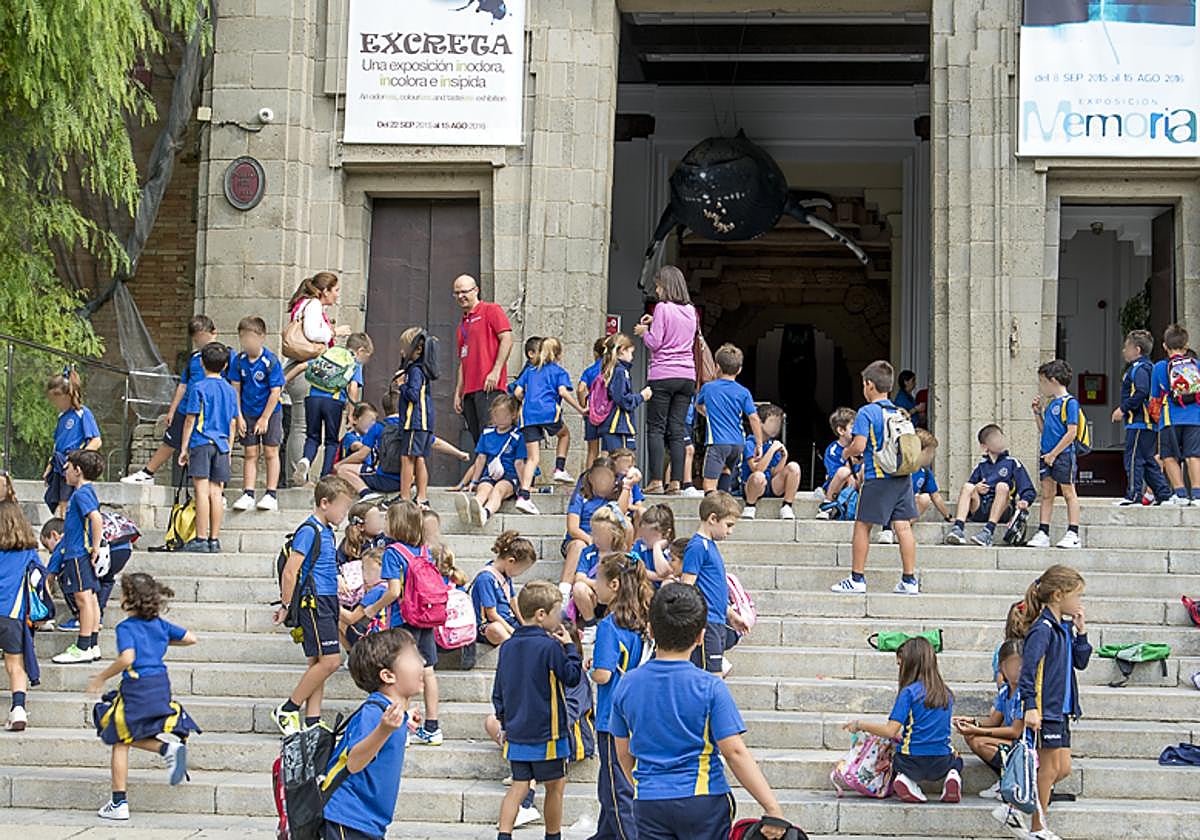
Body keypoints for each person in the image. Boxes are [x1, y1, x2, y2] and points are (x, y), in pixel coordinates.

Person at [611, 584, 786, 840]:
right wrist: (772, 808)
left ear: (650, 629)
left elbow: (623, 753)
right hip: (702, 799)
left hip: (649, 800)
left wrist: (643, 786)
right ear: (701, 636)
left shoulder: (626, 684)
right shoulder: (710, 687)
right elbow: (735, 752)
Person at [87, 573, 200, 821]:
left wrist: (101, 677)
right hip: (160, 684)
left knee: (118, 738)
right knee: (128, 734)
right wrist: (158, 642)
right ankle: (167, 748)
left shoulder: (126, 627)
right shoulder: (160, 625)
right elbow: (191, 638)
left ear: (129, 599)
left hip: (137, 686)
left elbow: (127, 657)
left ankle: (119, 802)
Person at [1003, 565, 1091, 840]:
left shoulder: (1062, 628)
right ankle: (1038, 827)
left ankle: (1014, 809)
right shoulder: (1042, 629)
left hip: (1062, 710)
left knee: (1062, 769)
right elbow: (1028, 671)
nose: (1079, 602)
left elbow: (1081, 662)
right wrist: (1030, 706)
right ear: (1058, 595)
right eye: (1076, 596)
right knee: (1049, 769)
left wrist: (1081, 632)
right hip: (1045, 709)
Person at [491, 580, 582, 840]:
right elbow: (572, 677)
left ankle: (504, 835)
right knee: (555, 786)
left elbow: (498, 690)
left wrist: (503, 722)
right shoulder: (550, 646)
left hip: (517, 731)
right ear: (542, 614)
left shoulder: (507, 646)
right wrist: (570, 647)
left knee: (518, 786)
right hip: (548, 734)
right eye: (557, 612)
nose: (560, 617)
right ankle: (553, 836)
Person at [322, 628, 425, 840]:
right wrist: (384, 730)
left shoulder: (387, 712)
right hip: (348, 816)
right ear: (388, 675)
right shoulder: (373, 712)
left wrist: (404, 719)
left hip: (367, 819)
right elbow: (354, 762)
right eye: (413, 657)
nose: (422, 662)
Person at [272, 475, 355, 735]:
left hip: (328, 599)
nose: (344, 514)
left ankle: (312, 719)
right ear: (324, 503)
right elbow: (290, 572)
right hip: (314, 602)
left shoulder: (327, 531)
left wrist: (337, 578)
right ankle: (288, 708)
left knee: (318, 662)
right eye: (341, 507)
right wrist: (286, 605)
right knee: (331, 661)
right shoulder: (309, 530)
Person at [830, 361, 919, 595]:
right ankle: (909, 580)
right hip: (902, 476)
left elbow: (859, 446)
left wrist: (847, 453)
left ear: (869, 385)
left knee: (862, 525)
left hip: (878, 477)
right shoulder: (900, 412)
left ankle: (857, 578)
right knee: (903, 527)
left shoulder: (867, 412)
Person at [361, 501, 443, 747]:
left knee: (398, 675)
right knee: (427, 670)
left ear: (396, 524)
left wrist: (372, 608)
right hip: (426, 618)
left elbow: (394, 591)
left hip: (403, 620)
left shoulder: (393, 553)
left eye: (387, 519)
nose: (384, 524)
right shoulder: (424, 551)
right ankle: (432, 726)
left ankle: (402, 728)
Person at [844, 636, 961, 804]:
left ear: (910, 665)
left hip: (910, 761)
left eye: (900, 665)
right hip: (942, 761)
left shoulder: (909, 693)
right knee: (957, 758)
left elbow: (890, 731)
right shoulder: (946, 693)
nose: (899, 669)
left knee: (894, 754)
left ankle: (905, 778)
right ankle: (953, 775)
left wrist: (859, 724)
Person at [590, 552, 653, 840]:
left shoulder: (609, 625)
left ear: (614, 585)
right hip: (639, 713)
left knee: (615, 790)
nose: (594, 585)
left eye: (598, 580)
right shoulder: (643, 619)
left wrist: (591, 668)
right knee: (613, 781)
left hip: (612, 717)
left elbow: (603, 674)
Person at [122, 315, 222, 485]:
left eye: (202, 337)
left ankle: (216, 488)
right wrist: (172, 410)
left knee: (209, 448)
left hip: (208, 411)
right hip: (186, 407)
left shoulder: (224, 356)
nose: (200, 342)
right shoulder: (194, 358)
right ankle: (147, 473)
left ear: (213, 333)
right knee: (170, 441)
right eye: (196, 339)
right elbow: (183, 385)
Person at [635, 266, 699, 496]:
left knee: (656, 428)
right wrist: (655, 320)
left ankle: (656, 481)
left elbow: (656, 342)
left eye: (659, 286)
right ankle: (676, 482)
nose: (657, 290)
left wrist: (643, 331)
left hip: (663, 374)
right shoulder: (691, 310)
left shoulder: (662, 307)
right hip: (687, 375)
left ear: (666, 285)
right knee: (677, 429)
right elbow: (681, 332)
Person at [281, 272, 353, 466]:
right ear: (325, 291)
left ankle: (298, 471)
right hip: (306, 371)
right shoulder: (313, 304)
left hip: (300, 369)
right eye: (335, 290)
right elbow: (312, 332)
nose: (337, 294)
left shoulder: (305, 304)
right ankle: (297, 474)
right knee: (301, 427)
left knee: (299, 425)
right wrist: (334, 332)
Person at [512, 337, 586, 513]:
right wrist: (581, 409)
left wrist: (528, 400)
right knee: (564, 434)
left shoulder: (529, 371)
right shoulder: (559, 372)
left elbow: (517, 392)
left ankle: (524, 496)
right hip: (548, 412)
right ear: (558, 355)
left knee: (532, 458)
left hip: (528, 416)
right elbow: (563, 392)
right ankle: (559, 468)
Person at [178, 343, 239, 554]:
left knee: (201, 492)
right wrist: (229, 448)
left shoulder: (198, 387)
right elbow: (233, 422)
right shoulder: (230, 390)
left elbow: (190, 419)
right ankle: (215, 539)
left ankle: (201, 538)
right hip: (222, 444)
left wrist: (184, 448)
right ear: (225, 365)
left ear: (202, 363)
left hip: (201, 442)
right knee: (216, 492)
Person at [682, 492, 748, 674]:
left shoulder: (710, 546)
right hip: (707, 622)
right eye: (728, 525)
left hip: (717, 621)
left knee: (714, 675)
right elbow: (687, 587)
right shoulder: (698, 546)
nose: (730, 531)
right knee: (713, 677)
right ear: (713, 519)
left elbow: (712, 590)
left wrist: (730, 614)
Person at [295, 332, 374, 484]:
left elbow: (302, 366)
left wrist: (283, 382)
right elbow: (353, 388)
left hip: (312, 399)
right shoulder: (354, 363)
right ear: (360, 351)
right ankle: (325, 477)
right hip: (333, 401)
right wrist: (351, 413)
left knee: (312, 437)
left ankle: (306, 460)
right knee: (331, 441)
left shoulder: (330, 355)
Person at [49, 450, 104, 664]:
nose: (65, 471)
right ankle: (92, 644)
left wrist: (96, 547)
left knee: (83, 599)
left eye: (68, 467)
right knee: (90, 598)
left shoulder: (81, 494)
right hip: (78, 552)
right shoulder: (83, 493)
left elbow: (96, 518)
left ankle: (83, 646)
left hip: (77, 553)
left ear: (78, 470)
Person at [954, 638, 1025, 801]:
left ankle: (1013, 780)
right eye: (1012, 665)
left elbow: (1015, 731)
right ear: (1001, 667)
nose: (1016, 670)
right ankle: (1005, 778)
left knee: (979, 741)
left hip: (1024, 746)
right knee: (971, 737)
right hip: (1012, 743)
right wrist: (971, 721)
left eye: (1020, 664)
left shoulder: (1024, 693)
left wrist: (978, 730)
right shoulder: (1005, 690)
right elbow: (993, 721)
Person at [945, 424, 1036, 547]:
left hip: (1002, 509)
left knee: (1002, 486)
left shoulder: (1012, 463)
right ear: (984, 446)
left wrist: (1025, 500)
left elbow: (1027, 488)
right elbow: (970, 489)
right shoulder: (982, 465)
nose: (1000, 442)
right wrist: (977, 487)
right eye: (995, 439)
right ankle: (958, 529)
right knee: (968, 486)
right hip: (981, 507)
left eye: (1001, 438)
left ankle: (988, 532)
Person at [230, 316, 285, 512]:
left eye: (251, 337)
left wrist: (265, 418)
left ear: (262, 337)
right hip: (247, 411)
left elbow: (275, 391)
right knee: (250, 452)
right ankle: (248, 493)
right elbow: (235, 389)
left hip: (270, 412)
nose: (247, 342)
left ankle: (271, 494)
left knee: (270, 452)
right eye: (243, 338)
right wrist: (239, 416)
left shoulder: (270, 361)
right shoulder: (238, 361)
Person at [453, 274, 514, 446]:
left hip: (489, 386)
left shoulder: (491, 310)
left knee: (493, 435)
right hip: (470, 391)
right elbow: (463, 361)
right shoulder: (462, 325)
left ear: (476, 290)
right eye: (457, 293)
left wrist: (496, 371)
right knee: (478, 440)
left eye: (464, 292)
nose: (460, 296)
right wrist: (458, 392)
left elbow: (507, 339)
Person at [560, 457, 631, 602]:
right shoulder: (581, 496)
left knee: (628, 525)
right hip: (581, 539)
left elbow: (620, 516)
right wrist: (592, 540)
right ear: (591, 478)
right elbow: (573, 528)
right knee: (579, 545)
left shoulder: (617, 496)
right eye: (599, 477)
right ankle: (564, 591)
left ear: (614, 480)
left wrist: (627, 486)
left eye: (607, 478)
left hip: (608, 540)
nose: (602, 481)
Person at [1112, 329, 1170, 506]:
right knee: (1148, 461)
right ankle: (1163, 493)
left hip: (1140, 422)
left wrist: (1123, 409)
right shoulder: (1148, 367)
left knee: (1133, 459)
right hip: (1148, 424)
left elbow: (1141, 391)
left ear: (1137, 350)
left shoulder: (1139, 368)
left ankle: (1134, 495)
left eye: (1126, 347)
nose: (1124, 351)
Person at [695, 344, 763, 494]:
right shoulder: (743, 392)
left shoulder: (708, 388)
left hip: (718, 442)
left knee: (709, 485)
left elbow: (698, 405)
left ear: (717, 366)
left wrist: (707, 413)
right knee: (726, 471)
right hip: (737, 443)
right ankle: (724, 504)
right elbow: (754, 418)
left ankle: (713, 507)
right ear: (739, 370)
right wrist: (759, 444)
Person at [1029, 360, 1082, 549]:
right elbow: (1045, 431)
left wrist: (1054, 454)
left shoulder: (1070, 403)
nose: (1042, 387)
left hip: (1063, 455)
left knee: (1068, 492)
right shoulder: (1051, 404)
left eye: (1043, 382)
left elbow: (1071, 433)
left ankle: (1073, 532)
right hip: (1047, 454)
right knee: (1047, 493)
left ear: (1053, 381)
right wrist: (1037, 414)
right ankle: (1043, 531)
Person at [456, 394, 527, 528]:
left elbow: (519, 463)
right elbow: (481, 459)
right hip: (490, 474)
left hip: (510, 476)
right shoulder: (487, 433)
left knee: (498, 490)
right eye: (497, 415)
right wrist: (474, 481)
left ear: (513, 415)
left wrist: (524, 487)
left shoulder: (518, 436)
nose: (500, 419)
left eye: (504, 416)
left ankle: (485, 513)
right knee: (483, 489)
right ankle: (472, 508)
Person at [1150, 323, 1200, 505]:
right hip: (1195, 417)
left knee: (1169, 455)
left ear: (1165, 346)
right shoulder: (1196, 365)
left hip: (1170, 418)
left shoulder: (1160, 367)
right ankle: (1197, 494)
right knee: (1193, 455)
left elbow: (1155, 396)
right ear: (1186, 346)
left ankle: (1180, 494)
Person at [43, 367, 102, 516]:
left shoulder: (82, 413)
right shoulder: (61, 417)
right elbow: (57, 444)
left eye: (56, 399)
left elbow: (96, 441)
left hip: (72, 464)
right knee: (59, 501)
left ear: (66, 396)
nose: (54, 404)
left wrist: (77, 459)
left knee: (67, 502)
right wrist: (50, 466)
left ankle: (67, 526)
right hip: (60, 464)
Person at [0, 501, 37, 732]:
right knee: (15, 664)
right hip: (12, 615)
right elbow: (39, 578)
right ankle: (18, 709)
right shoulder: (28, 552)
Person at [394, 327, 435, 507]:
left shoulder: (416, 371)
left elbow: (413, 395)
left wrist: (401, 384)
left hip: (415, 421)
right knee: (419, 457)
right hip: (424, 421)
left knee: (407, 457)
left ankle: (404, 497)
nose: (402, 351)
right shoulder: (422, 369)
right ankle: (422, 497)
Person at [471, 530, 536, 646]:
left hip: (509, 621)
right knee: (496, 629)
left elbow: (513, 601)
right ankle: (515, 647)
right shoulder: (486, 578)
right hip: (489, 625)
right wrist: (513, 632)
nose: (520, 574)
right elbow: (492, 615)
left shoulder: (505, 574)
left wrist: (524, 623)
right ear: (511, 561)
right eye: (521, 570)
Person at [337, 391, 404, 497]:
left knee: (342, 470)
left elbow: (362, 454)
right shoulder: (409, 428)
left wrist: (338, 464)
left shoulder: (378, 427)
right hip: (405, 481)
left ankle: (366, 493)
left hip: (383, 478)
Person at [741, 404, 800, 521]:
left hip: (769, 484)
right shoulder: (750, 443)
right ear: (760, 423)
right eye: (772, 422)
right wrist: (772, 450)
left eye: (778, 423)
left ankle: (787, 505)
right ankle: (750, 506)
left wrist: (784, 457)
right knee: (758, 476)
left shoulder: (772, 443)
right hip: (752, 486)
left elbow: (774, 472)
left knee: (794, 467)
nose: (776, 427)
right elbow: (757, 469)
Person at [573, 506, 630, 625]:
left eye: (602, 535)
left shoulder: (621, 555)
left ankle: (617, 622)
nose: (597, 538)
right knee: (579, 587)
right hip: (594, 597)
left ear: (615, 534)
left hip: (613, 598)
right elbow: (579, 577)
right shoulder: (588, 552)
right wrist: (598, 585)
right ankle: (590, 624)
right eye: (594, 534)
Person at [597, 334, 653, 455]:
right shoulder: (620, 372)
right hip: (618, 425)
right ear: (622, 350)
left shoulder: (611, 370)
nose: (632, 357)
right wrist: (641, 396)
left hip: (613, 425)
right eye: (630, 352)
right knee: (623, 460)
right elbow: (622, 399)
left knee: (612, 460)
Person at [814, 407, 857, 513]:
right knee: (844, 472)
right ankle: (827, 504)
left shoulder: (859, 447)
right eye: (853, 427)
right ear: (841, 430)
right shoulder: (833, 450)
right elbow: (834, 473)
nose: (857, 430)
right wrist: (847, 463)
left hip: (855, 484)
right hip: (837, 484)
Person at [579, 337, 609, 473]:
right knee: (606, 449)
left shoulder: (589, 370)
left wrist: (583, 406)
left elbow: (580, 389)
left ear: (595, 353)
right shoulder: (611, 369)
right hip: (607, 411)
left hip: (592, 412)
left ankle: (588, 480)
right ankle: (605, 479)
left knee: (592, 449)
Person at [632, 503, 676, 584]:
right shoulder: (639, 546)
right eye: (644, 535)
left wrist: (657, 547)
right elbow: (636, 569)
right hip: (644, 586)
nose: (646, 540)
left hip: (663, 588)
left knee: (668, 582)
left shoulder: (672, 550)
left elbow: (664, 572)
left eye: (652, 536)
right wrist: (657, 577)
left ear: (666, 534)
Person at [610, 448, 646, 522]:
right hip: (614, 514)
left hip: (630, 514)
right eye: (624, 462)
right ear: (615, 462)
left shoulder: (632, 481)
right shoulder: (610, 480)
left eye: (630, 463)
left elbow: (639, 505)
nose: (628, 465)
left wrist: (628, 506)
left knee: (642, 511)